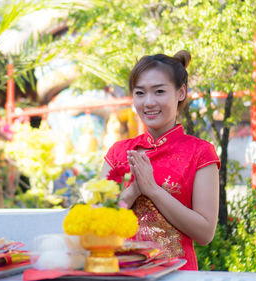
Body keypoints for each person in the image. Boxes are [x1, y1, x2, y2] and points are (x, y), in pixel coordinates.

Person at [100, 51, 220, 271]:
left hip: (178, 276)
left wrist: (153, 190)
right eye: (140, 93)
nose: (149, 102)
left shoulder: (200, 153)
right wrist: (134, 191)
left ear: (181, 92)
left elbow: (205, 233)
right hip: (121, 274)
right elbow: (97, 226)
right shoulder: (119, 152)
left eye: (159, 91)